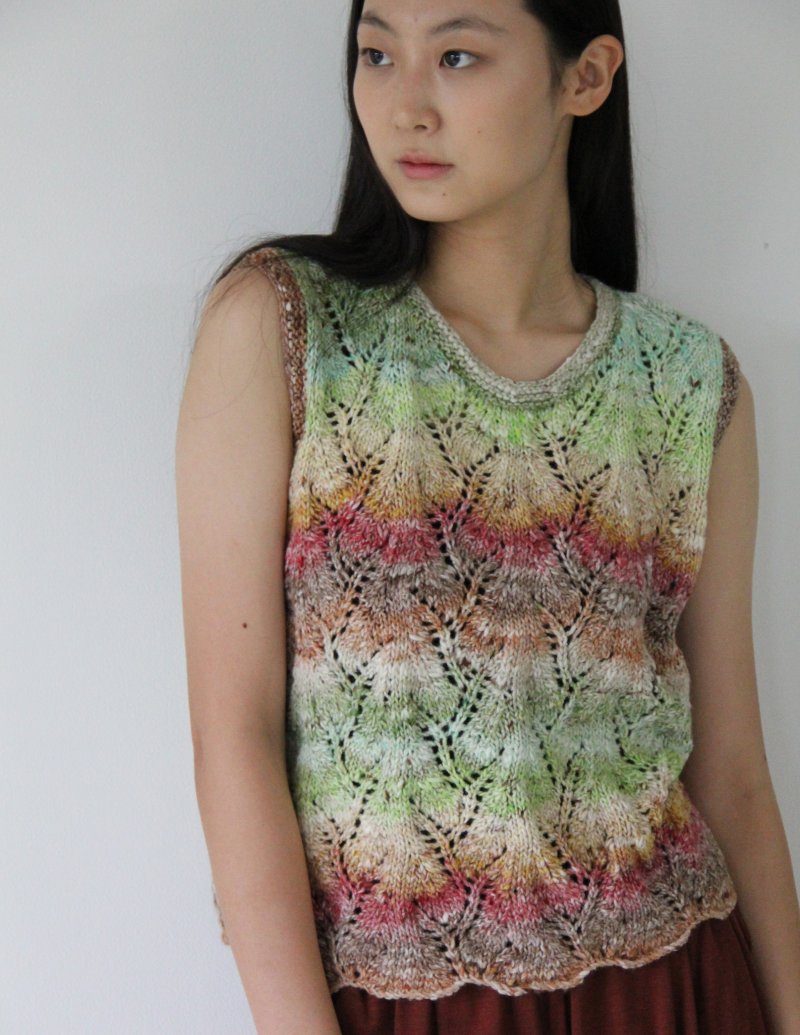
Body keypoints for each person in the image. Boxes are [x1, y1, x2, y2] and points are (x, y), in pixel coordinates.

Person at [175, 1, 800, 1033]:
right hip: (393, 1003)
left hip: (673, 986)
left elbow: (731, 771)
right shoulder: (285, 326)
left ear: (584, 77)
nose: (405, 105)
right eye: (376, 54)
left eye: (457, 55)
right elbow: (232, 738)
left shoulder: (690, 383)